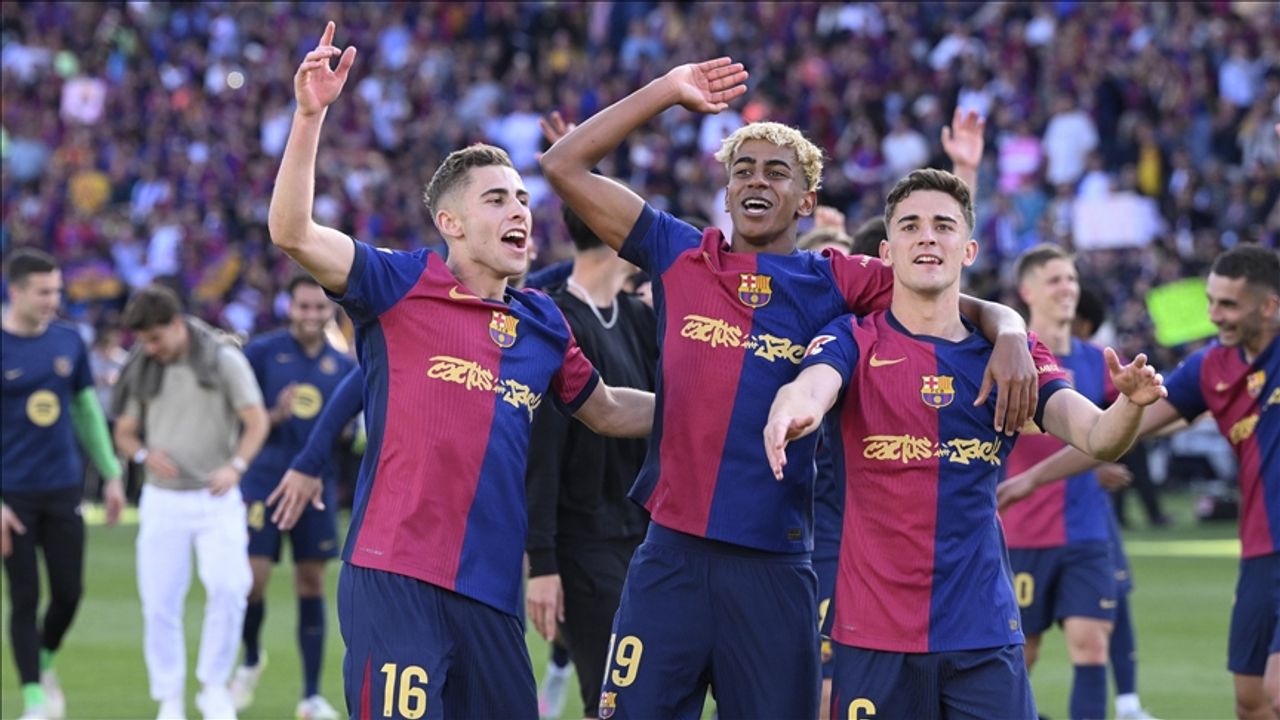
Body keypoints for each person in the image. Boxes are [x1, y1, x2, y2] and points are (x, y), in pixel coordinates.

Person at [541, 59, 1037, 717]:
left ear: (807, 200)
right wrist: (666, 90)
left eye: (777, 172)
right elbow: (562, 166)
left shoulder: (837, 280)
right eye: (742, 170)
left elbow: (939, 289)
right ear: (725, 194)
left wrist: (1010, 328)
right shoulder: (679, 254)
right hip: (669, 557)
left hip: (775, 568)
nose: (756, 180)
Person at [267, 22, 654, 718]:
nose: (519, 210)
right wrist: (309, 116)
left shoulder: (541, 321)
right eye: (497, 199)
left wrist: (715, 405)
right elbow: (292, 232)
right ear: (450, 223)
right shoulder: (398, 284)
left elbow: (605, 410)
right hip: (396, 577)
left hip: (493, 594)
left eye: (524, 199)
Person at [763, 168, 1168, 719]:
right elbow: (812, 385)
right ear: (887, 252)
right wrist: (793, 408)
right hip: (875, 633)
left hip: (983, 631)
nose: (927, 237)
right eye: (910, 226)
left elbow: (1097, 436)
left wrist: (1130, 405)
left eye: (943, 225)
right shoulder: (852, 338)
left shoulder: (1011, 357)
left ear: (969, 249)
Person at [1003, 244, 1280, 719]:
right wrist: (1030, 480)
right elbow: (1106, 434)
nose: (1214, 315)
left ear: (1269, 306)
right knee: (1251, 702)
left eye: (1228, 305)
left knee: (1275, 688)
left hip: (1086, 533)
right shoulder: (1210, 368)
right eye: (1211, 302)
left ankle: (1127, 702)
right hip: (1259, 551)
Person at [993, 243, 1143, 720]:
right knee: (1021, 654)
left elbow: (1122, 426)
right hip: (1022, 531)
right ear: (1027, 291)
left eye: (1072, 279)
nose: (1067, 289)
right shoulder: (1007, 359)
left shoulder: (1099, 361)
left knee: (1091, 643)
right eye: (1055, 279)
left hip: (1087, 532)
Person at [112, 284, 270, 720]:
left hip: (216, 497)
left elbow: (256, 420)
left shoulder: (223, 359)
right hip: (162, 500)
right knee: (159, 602)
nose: (150, 348)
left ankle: (213, 686)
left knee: (230, 588)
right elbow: (124, 432)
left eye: (155, 338)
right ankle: (169, 697)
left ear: (177, 324)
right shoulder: (143, 364)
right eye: (143, 340)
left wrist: (236, 466)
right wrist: (142, 455)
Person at [524, 205, 658, 719]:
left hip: (648, 536)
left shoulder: (639, 318)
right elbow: (541, 453)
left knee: (655, 697)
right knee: (612, 700)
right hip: (584, 542)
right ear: (614, 237)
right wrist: (542, 563)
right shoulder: (555, 319)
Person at [2, 248, 125, 720]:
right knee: (24, 596)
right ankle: (35, 699)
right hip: (12, 495)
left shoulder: (69, 341)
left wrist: (111, 474)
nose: (54, 300)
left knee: (69, 593)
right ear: (16, 292)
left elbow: (87, 411)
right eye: (43, 292)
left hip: (62, 487)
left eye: (56, 291)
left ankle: (45, 657)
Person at [227, 274, 354, 720]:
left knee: (311, 583)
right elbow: (235, 419)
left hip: (316, 489)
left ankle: (311, 696)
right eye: (304, 307)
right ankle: (250, 657)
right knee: (252, 581)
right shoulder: (262, 354)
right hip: (262, 483)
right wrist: (274, 415)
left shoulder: (343, 367)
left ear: (330, 310)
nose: (311, 315)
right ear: (289, 307)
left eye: (319, 307)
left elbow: (350, 436)